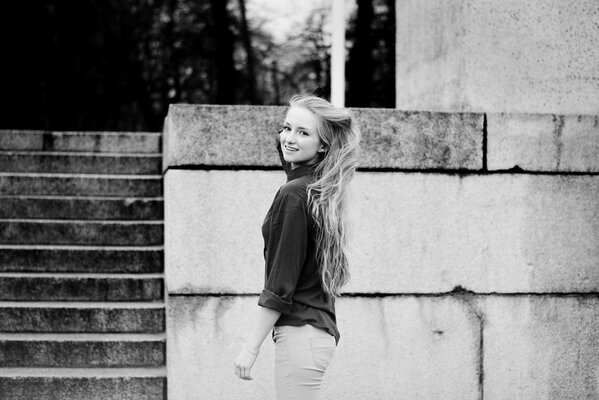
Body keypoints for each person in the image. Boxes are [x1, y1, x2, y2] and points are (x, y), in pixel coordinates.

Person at [233, 93, 360, 399]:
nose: (289, 138)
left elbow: (280, 284)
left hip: (301, 336)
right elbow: (289, 154)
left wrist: (251, 348)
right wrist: (297, 136)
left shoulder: (293, 195)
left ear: (323, 146)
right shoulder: (319, 187)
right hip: (315, 334)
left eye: (303, 133)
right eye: (287, 128)